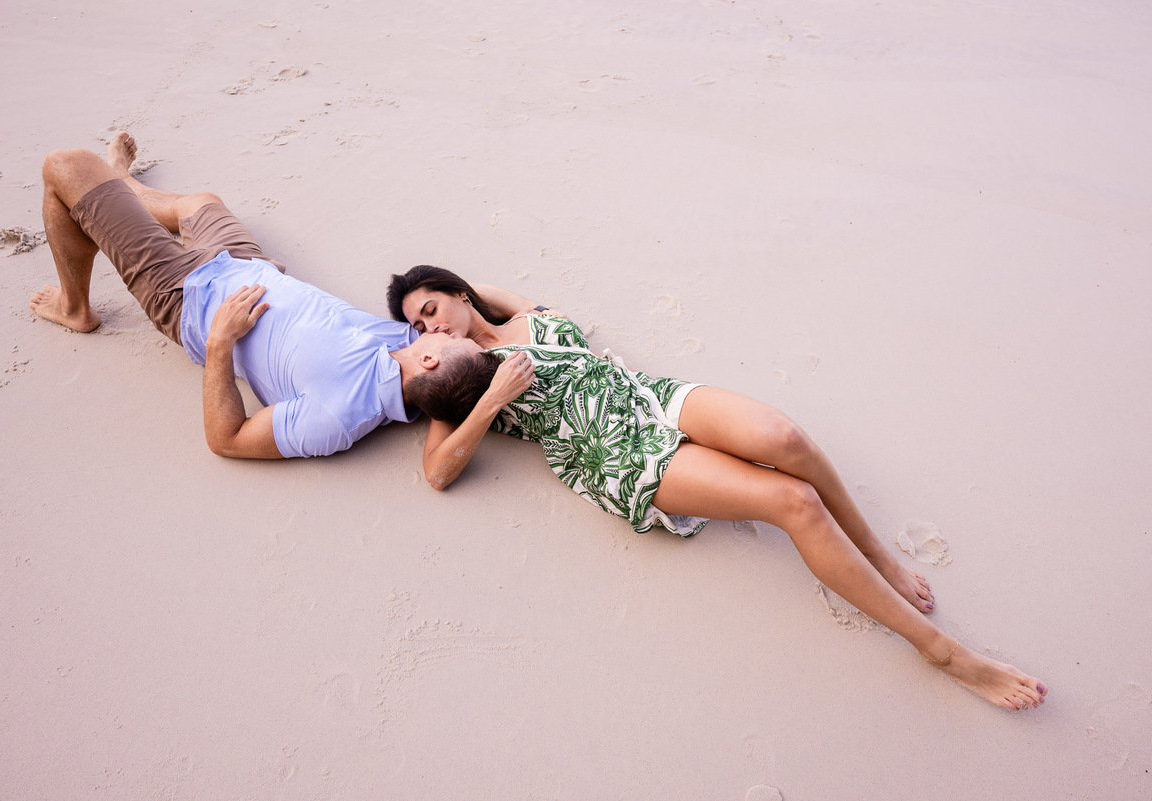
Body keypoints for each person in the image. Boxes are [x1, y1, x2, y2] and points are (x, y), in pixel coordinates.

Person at [386, 265, 1049, 711]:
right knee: (793, 501)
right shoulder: (460, 379)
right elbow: (438, 471)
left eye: (431, 308)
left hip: (653, 396)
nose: (429, 330)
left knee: (785, 438)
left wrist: (471, 299)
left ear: (459, 291)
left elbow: (491, 295)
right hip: (623, 453)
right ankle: (943, 651)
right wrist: (491, 398)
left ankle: (876, 550)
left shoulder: (520, 316)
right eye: (416, 328)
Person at [29, 134, 490, 459]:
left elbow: (226, 439)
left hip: (188, 295)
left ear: (430, 362)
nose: (441, 329)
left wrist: (220, 343)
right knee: (198, 203)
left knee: (64, 164)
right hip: (247, 264)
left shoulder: (337, 417)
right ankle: (121, 184)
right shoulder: (408, 345)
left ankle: (76, 306)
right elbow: (499, 323)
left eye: (449, 340)